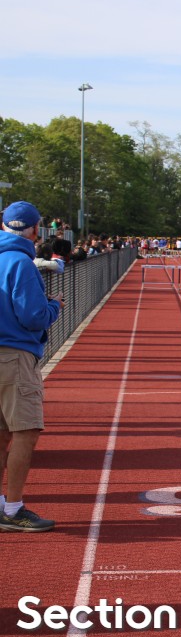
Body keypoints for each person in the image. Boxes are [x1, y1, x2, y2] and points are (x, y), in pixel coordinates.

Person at [0, 202, 63, 532]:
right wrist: (54, 307)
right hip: (14, 355)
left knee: (2, 434)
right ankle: (13, 508)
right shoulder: (20, 263)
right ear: (36, 229)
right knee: (25, 432)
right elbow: (33, 316)